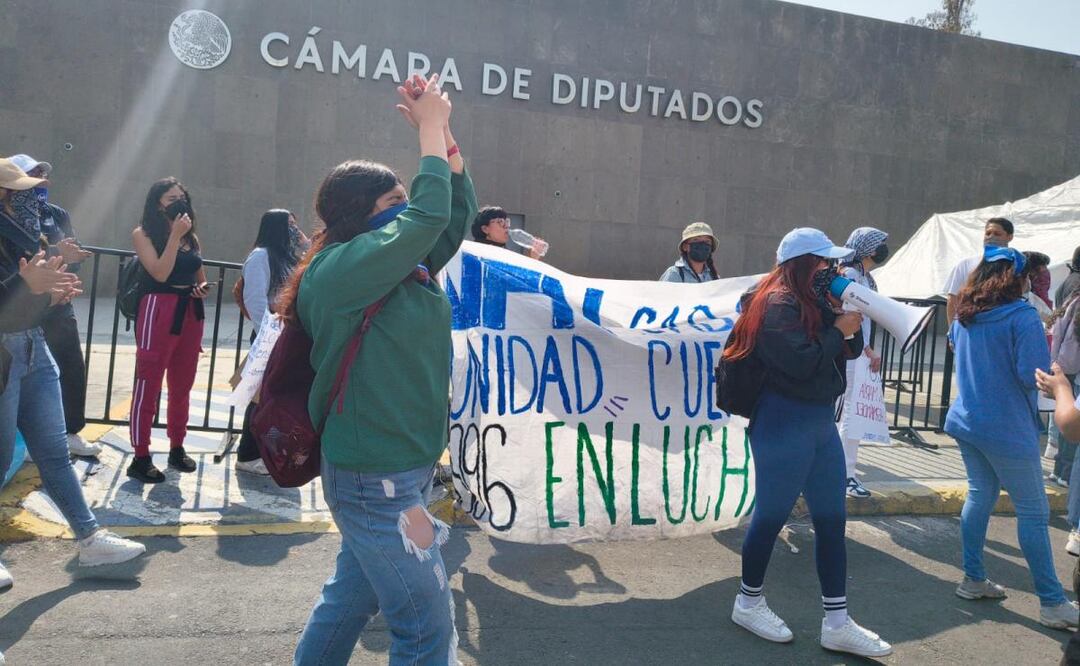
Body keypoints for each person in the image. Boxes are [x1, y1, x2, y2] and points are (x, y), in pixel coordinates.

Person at [285, 72, 476, 664]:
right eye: (394, 203)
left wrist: (443, 138)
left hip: (406, 476)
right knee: (426, 625)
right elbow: (428, 215)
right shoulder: (343, 269)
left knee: (350, 597)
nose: (407, 212)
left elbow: (453, 213)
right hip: (375, 481)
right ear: (357, 214)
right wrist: (429, 128)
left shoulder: (401, 263)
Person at [722, 227, 891, 657]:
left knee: (832, 520)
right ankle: (748, 602)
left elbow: (848, 352)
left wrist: (845, 319)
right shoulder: (775, 304)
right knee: (770, 516)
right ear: (801, 265)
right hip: (783, 422)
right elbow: (799, 363)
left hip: (817, 423)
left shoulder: (812, 300)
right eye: (824, 262)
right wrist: (837, 328)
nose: (831, 269)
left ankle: (837, 622)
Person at [0, 158, 145, 593]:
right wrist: (27, 286)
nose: (31, 195)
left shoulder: (22, 233)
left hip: (32, 347)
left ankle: (90, 539)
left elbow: (23, 304)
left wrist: (50, 295)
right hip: (4, 356)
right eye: (19, 189)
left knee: (55, 451)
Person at [945, 245, 1078, 629]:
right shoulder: (1022, 317)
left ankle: (973, 579)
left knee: (979, 496)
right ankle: (1052, 602)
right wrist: (1057, 378)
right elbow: (1030, 375)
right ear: (1016, 278)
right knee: (1033, 513)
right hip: (1007, 429)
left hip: (967, 421)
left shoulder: (965, 314)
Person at [7, 153, 99, 458]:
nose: (40, 182)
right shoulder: (8, 217)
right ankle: (22, 440)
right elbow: (20, 266)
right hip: (20, 310)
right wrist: (52, 258)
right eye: (31, 175)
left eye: (41, 174)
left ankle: (69, 432)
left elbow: (71, 254)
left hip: (57, 306)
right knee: (17, 376)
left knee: (69, 365)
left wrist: (68, 269)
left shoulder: (56, 214)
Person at [127, 177, 210, 483]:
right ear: (157, 204)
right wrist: (175, 235)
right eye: (171, 198)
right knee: (148, 382)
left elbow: (200, 276)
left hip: (189, 311)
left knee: (182, 383)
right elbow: (160, 273)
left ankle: (177, 446)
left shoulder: (192, 237)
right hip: (158, 308)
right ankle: (141, 455)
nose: (179, 203)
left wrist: (202, 288)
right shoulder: (143, 234)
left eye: (182, 197)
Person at [234, 209, 300, 476]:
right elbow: (255, 299)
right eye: (290, 226)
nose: (294, 231)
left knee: (274, 397)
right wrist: (269, 335)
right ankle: (248, 454)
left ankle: (266, 452)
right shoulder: (260, 256)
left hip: (286, 334)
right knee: (259, 398)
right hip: (270, 336)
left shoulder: (287, 257)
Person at [837, 227, 889, 498]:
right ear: (867, 248)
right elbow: (848, 318)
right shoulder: (850, 275)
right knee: (849, 416)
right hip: (847, 354)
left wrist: (867, 349)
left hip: (856, 353)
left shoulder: (864, 278)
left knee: (849, 415)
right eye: (879, 244)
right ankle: (845, 475)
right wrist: (862, 348)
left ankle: (843, 471)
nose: (883, 249)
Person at [943, 217, 1014, 324]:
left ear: (1010, 237)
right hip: (970, 326)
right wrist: (952, 330)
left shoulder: (1016, 265)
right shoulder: (965, 265)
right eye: (988, 233)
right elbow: (953, 299)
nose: (991, 237)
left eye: (997, 234)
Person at [470, 205, 545, 259]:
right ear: (485, 229)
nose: (506, 226)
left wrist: (534, 256)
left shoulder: (501, 252)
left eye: (506, 221)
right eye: (500, 222)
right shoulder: (478, 254)